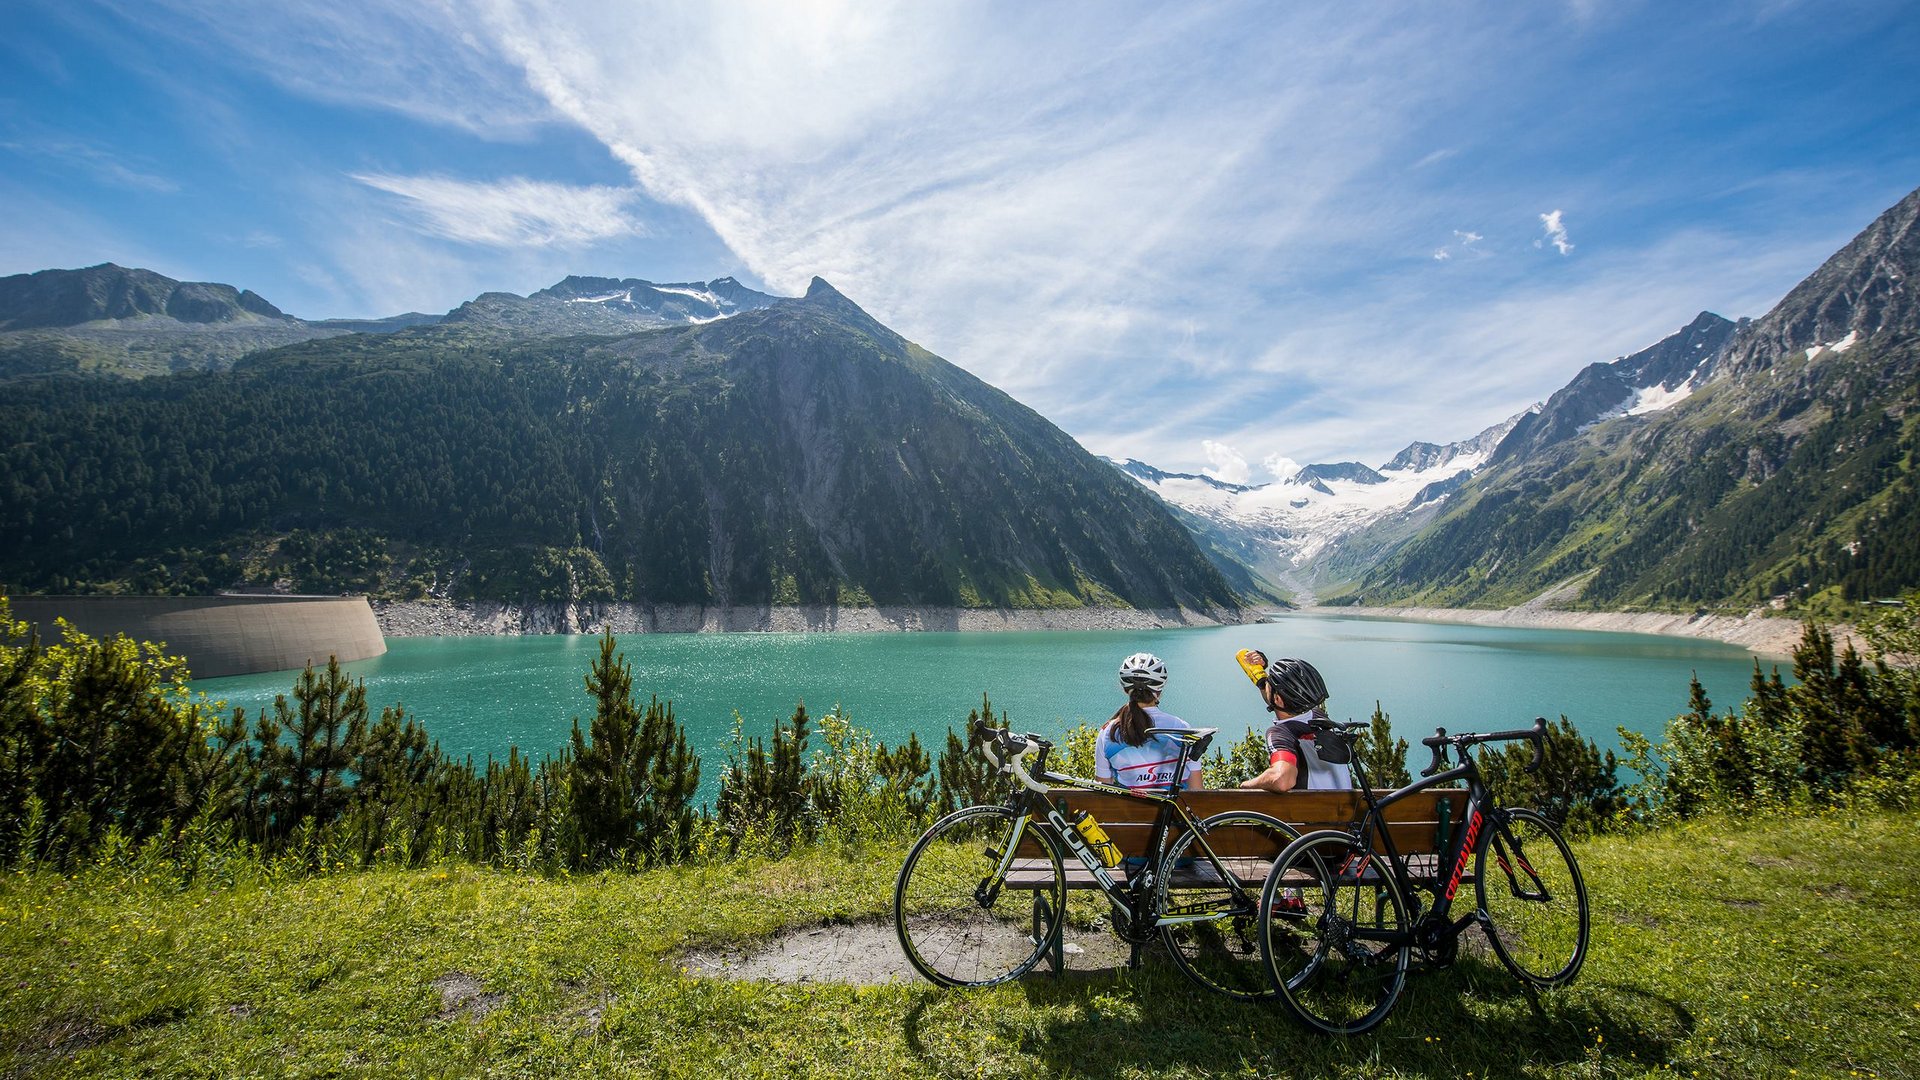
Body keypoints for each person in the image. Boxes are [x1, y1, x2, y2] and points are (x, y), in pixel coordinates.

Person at [1234, 651, 1353, 792]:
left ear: (1277, 699)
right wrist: (1261, 676)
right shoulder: (1317, 715)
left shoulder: (1281, 734)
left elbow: (1282, 779)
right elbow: (1280, 701)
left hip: (1315, 812)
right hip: (1346, 808)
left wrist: (1246, 785)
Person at [1095, 652, 1205, 793]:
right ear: (1159, 690)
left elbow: (1103, 791)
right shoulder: (1182, 729)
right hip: (1174, 814)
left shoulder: (1108, 733)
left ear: (1125, 689)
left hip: (1126, 814)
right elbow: (1197, 790)